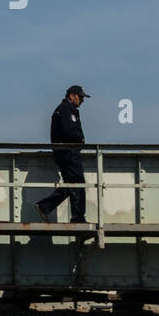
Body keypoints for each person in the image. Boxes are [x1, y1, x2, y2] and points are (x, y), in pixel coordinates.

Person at [36, 85, 89, 224]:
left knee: (72, 184)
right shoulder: (67, 109)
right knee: (78, 184)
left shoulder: (63, 109)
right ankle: (78, 218)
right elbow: (69, 131)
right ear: (72, 96)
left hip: (64, 153)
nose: (82, 101)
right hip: (68, 152)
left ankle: (45, 206)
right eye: (80, 97)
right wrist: (80, 138)